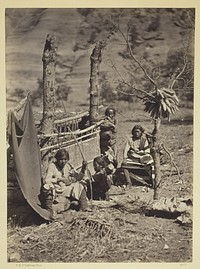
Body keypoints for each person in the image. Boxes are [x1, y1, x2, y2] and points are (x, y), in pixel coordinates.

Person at [42, 148, 90, 219]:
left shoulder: (68, 166)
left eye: (65, 159)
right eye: (61, 159)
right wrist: (58, 180)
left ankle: (84, 207)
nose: (63, 161)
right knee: (48, 187)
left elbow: (78, 178)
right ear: (57, 159)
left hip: (65, 189)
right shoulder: (52, 166)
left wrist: (83, 168)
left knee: (79, 185)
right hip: (56, 191)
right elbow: (47, 180)